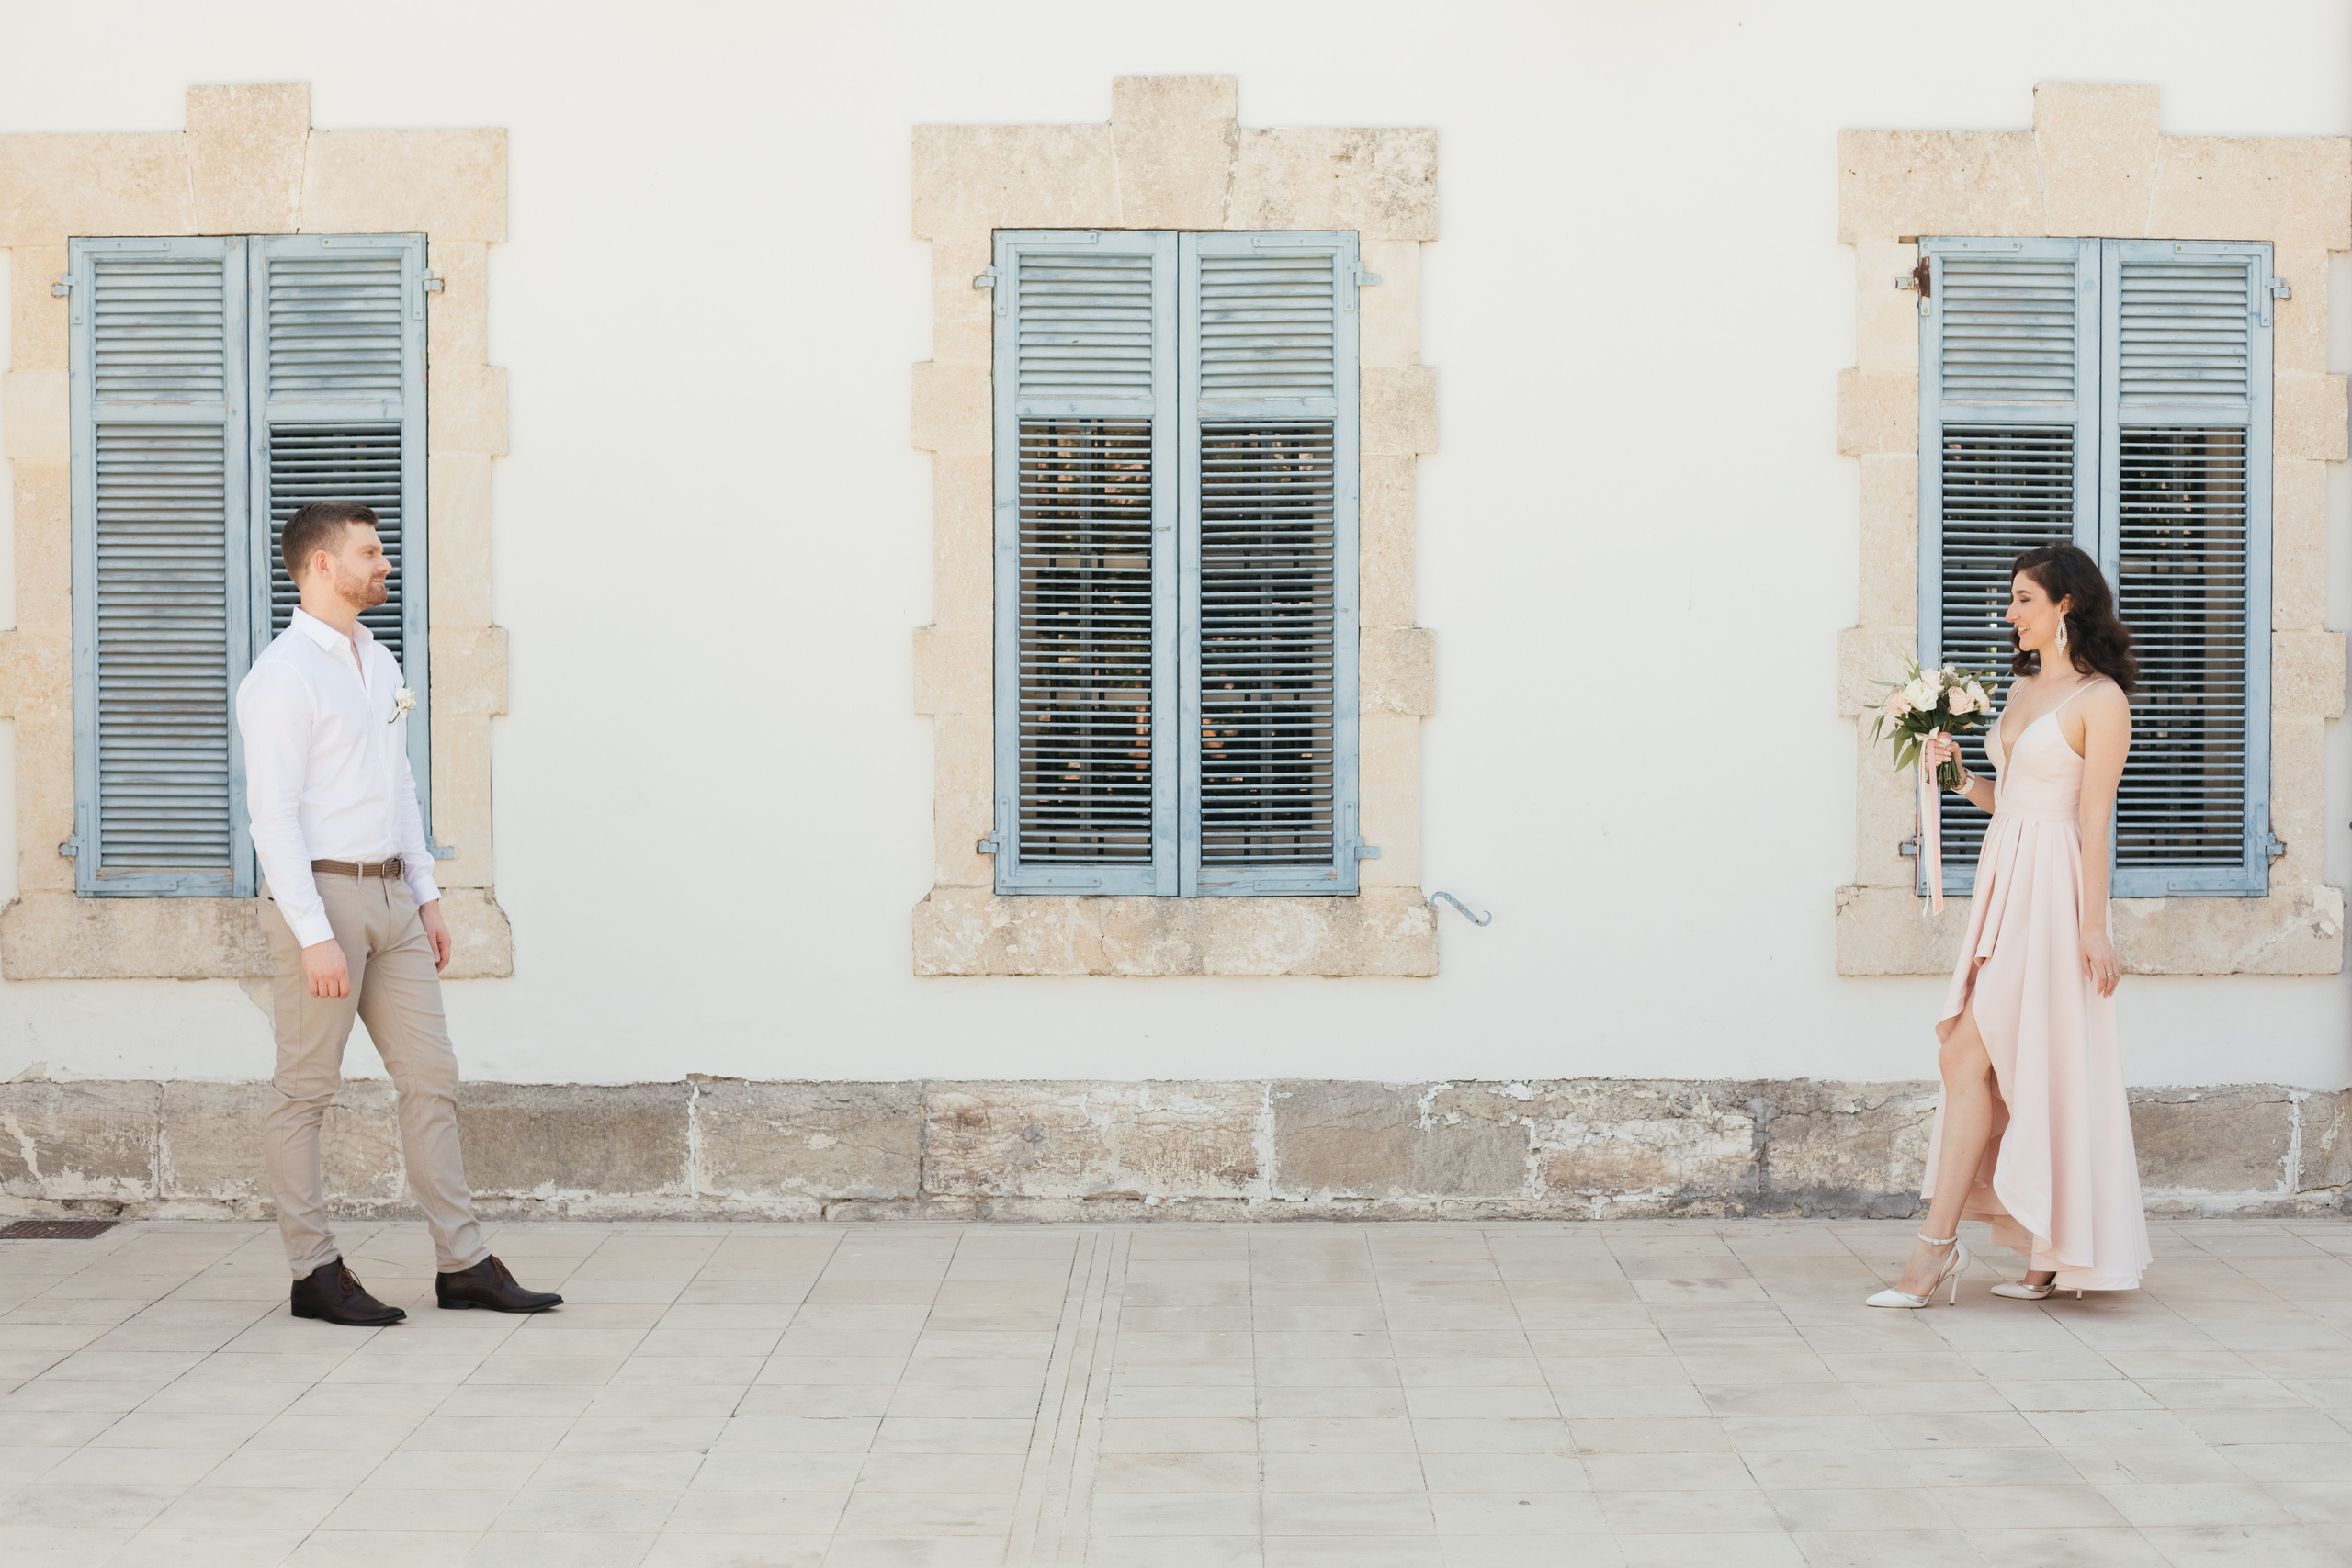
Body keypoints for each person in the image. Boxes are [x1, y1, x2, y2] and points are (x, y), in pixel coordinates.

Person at [235, 500, 561, 1325]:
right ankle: (314, 1272)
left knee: (432, 1078)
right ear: (321, 567)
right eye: (370, 553)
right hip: (324, 895)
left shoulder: (376, 662)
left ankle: (465, 1264)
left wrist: (426, 892)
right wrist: (313, 932)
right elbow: (271, 817)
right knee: (305, 1090)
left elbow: (399, 784)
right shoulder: (281, 677)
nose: (384, 565)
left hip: (393, 899)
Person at [1871, 543, 2152, 1308]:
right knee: (1984, 1060)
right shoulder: (2023, 687)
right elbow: (2012, 798)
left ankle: (1934, 1256)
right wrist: (1957, 773)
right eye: (2011, 599)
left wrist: (2094, 929)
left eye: (2024, 598)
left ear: (2067, 604)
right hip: (2006, 877)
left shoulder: (2102, 701)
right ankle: (2037, 1249)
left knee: (1981, 1055)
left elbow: (2094, 822)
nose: (2009, 613)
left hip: (2055, 891)